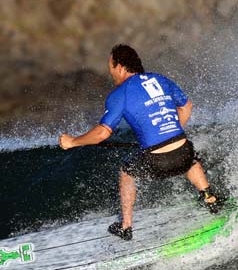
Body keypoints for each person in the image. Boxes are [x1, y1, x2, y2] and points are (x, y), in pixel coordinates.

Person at [58, 44, 220, 240]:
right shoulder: (160, 79)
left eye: (110, 67)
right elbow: (186, 106)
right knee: (190, 156)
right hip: (182, 152)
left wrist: (73, 142)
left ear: (120, 67)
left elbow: (102, 133)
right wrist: (167, 133)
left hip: (157, 160)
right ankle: (210, 199)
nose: (110, 73)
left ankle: (126, 226)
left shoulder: (120, 94)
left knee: (127, 172)